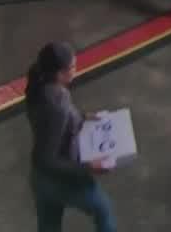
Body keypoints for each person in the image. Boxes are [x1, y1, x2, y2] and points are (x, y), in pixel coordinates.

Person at [25, 42, 116, 232]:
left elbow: (54, 124)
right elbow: (48, 159)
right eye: (72, 67)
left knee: (49, 225)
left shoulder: (40, 85)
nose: (76, 70)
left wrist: (83, 117)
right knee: (103, 211)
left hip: (39, 180)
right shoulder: (57, 103)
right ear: (60, 74)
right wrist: (88, 166)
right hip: (61, 181)